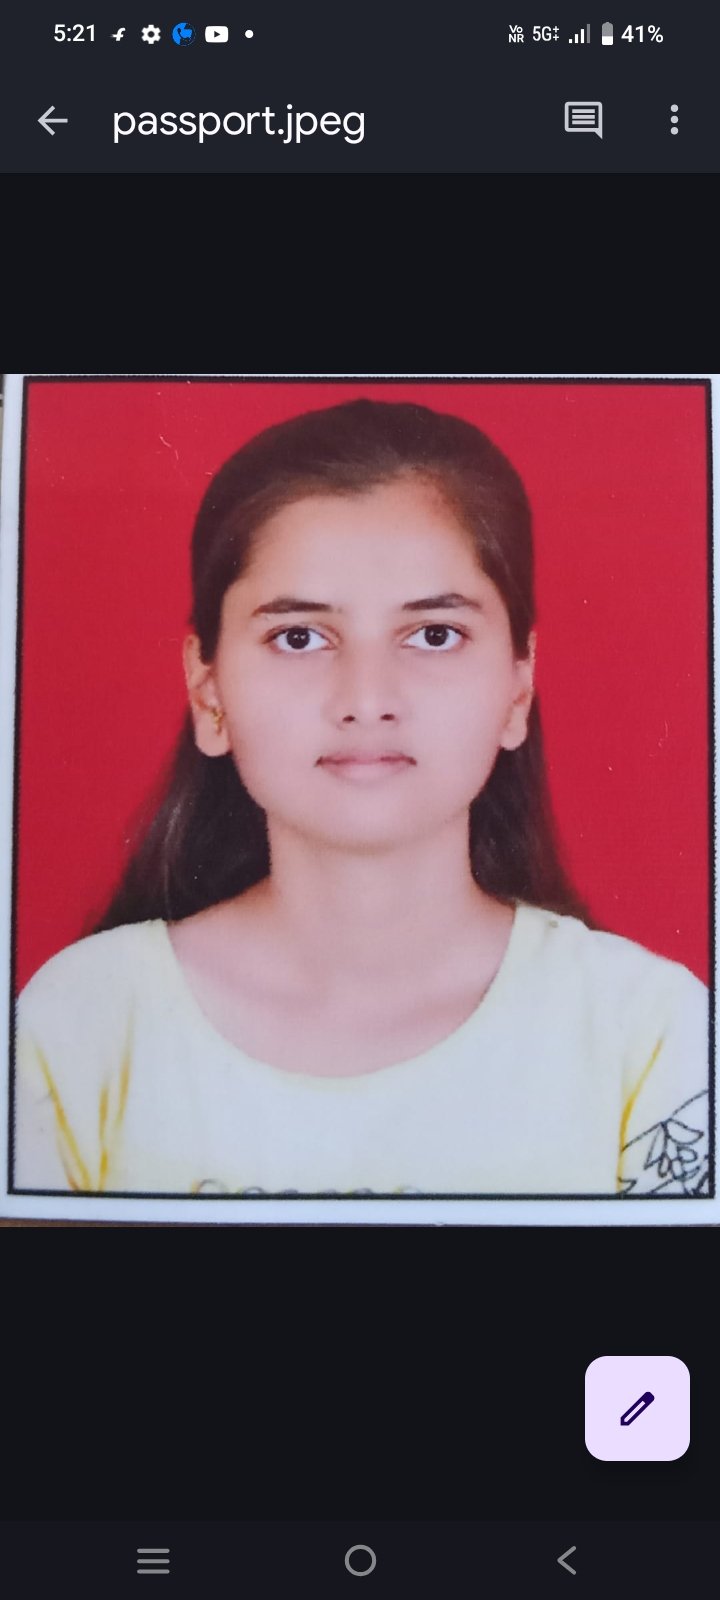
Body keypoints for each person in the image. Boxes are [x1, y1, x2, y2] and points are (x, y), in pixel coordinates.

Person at [13, 399, 709, 1198]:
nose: (367, 699)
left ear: (518, 686)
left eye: (434, 634)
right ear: (208, 690)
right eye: (299, 637)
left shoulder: (648, 1035)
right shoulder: (83, 1024)